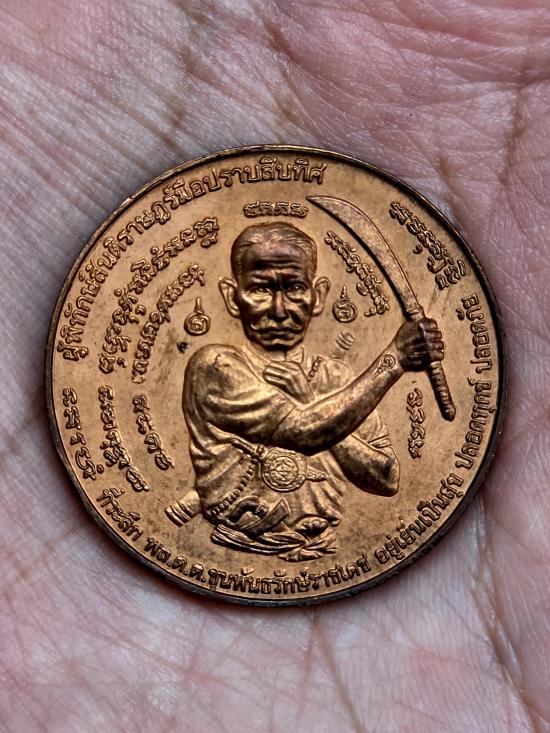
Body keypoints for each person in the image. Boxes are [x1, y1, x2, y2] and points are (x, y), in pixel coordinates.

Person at [179, 221, 444, 561]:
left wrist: (310, 400)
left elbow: (386, 478)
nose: (279, 310)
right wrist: (394, 360)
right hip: (237, 549)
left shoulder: (337, 377)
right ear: (233, 297)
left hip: (328, 552)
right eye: (260, 289)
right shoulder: (215, 367)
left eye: (294, 288)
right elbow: (303, 432)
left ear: (317, 296)